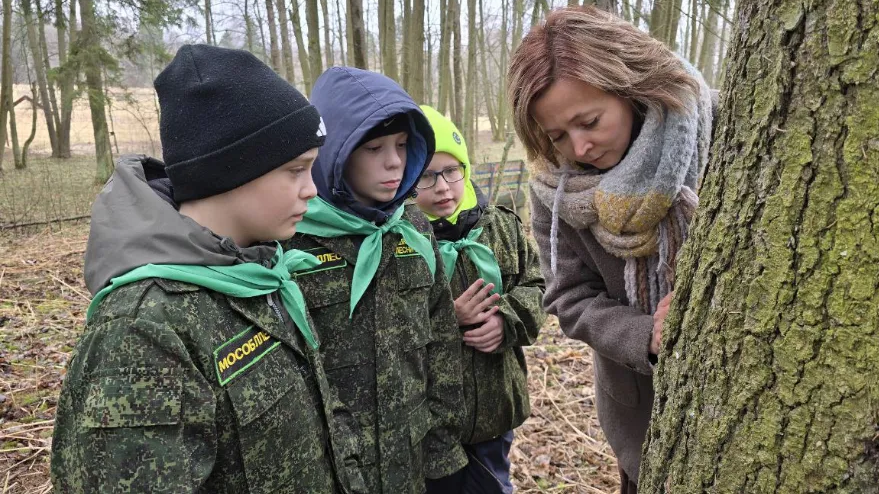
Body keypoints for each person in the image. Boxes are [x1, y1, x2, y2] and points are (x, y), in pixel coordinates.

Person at [51, 45, 366, 493]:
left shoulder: (260, 274)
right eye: (296, 170)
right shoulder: (144, 331)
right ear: (231, 171)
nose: (311, 191)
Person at [507, 6, 714, 493]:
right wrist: (646, 336)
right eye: (557, 135)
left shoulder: (717, 129)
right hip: (639, 411)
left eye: (590, 121)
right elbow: (568, 297)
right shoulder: (554, 192)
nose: (578, 148)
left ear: (631, 87)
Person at [284, 67, 467, 494]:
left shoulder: (414, 228)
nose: (395, 162)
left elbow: (441, 339)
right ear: (335, 153)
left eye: (403, 145)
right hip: (337, 472)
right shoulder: (294, 240)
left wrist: (442, 449)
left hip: (413, 458)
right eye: (374, 148)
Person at [414, 105, 546, 493]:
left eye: (451, 171)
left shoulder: (502, 226)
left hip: (494, 410)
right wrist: (446, 319)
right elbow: (383, 327)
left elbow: (538, 287)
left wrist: (506, 320)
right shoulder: (399, 243)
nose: (443, 187)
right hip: (431, 421)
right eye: (426, 176)